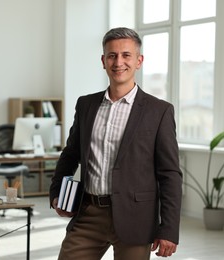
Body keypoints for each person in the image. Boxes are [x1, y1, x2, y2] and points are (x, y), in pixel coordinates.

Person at [49, 27, 183, 260]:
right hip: (88, 213)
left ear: (139, 61)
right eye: (112, 55)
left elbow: (169, 174)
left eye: (126, 55)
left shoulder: (159, 111)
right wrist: (56, 194)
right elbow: (70, 155)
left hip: (136, 218)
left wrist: (169, 229)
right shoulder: (86, 105)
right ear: (103, 61)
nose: (118, 62)